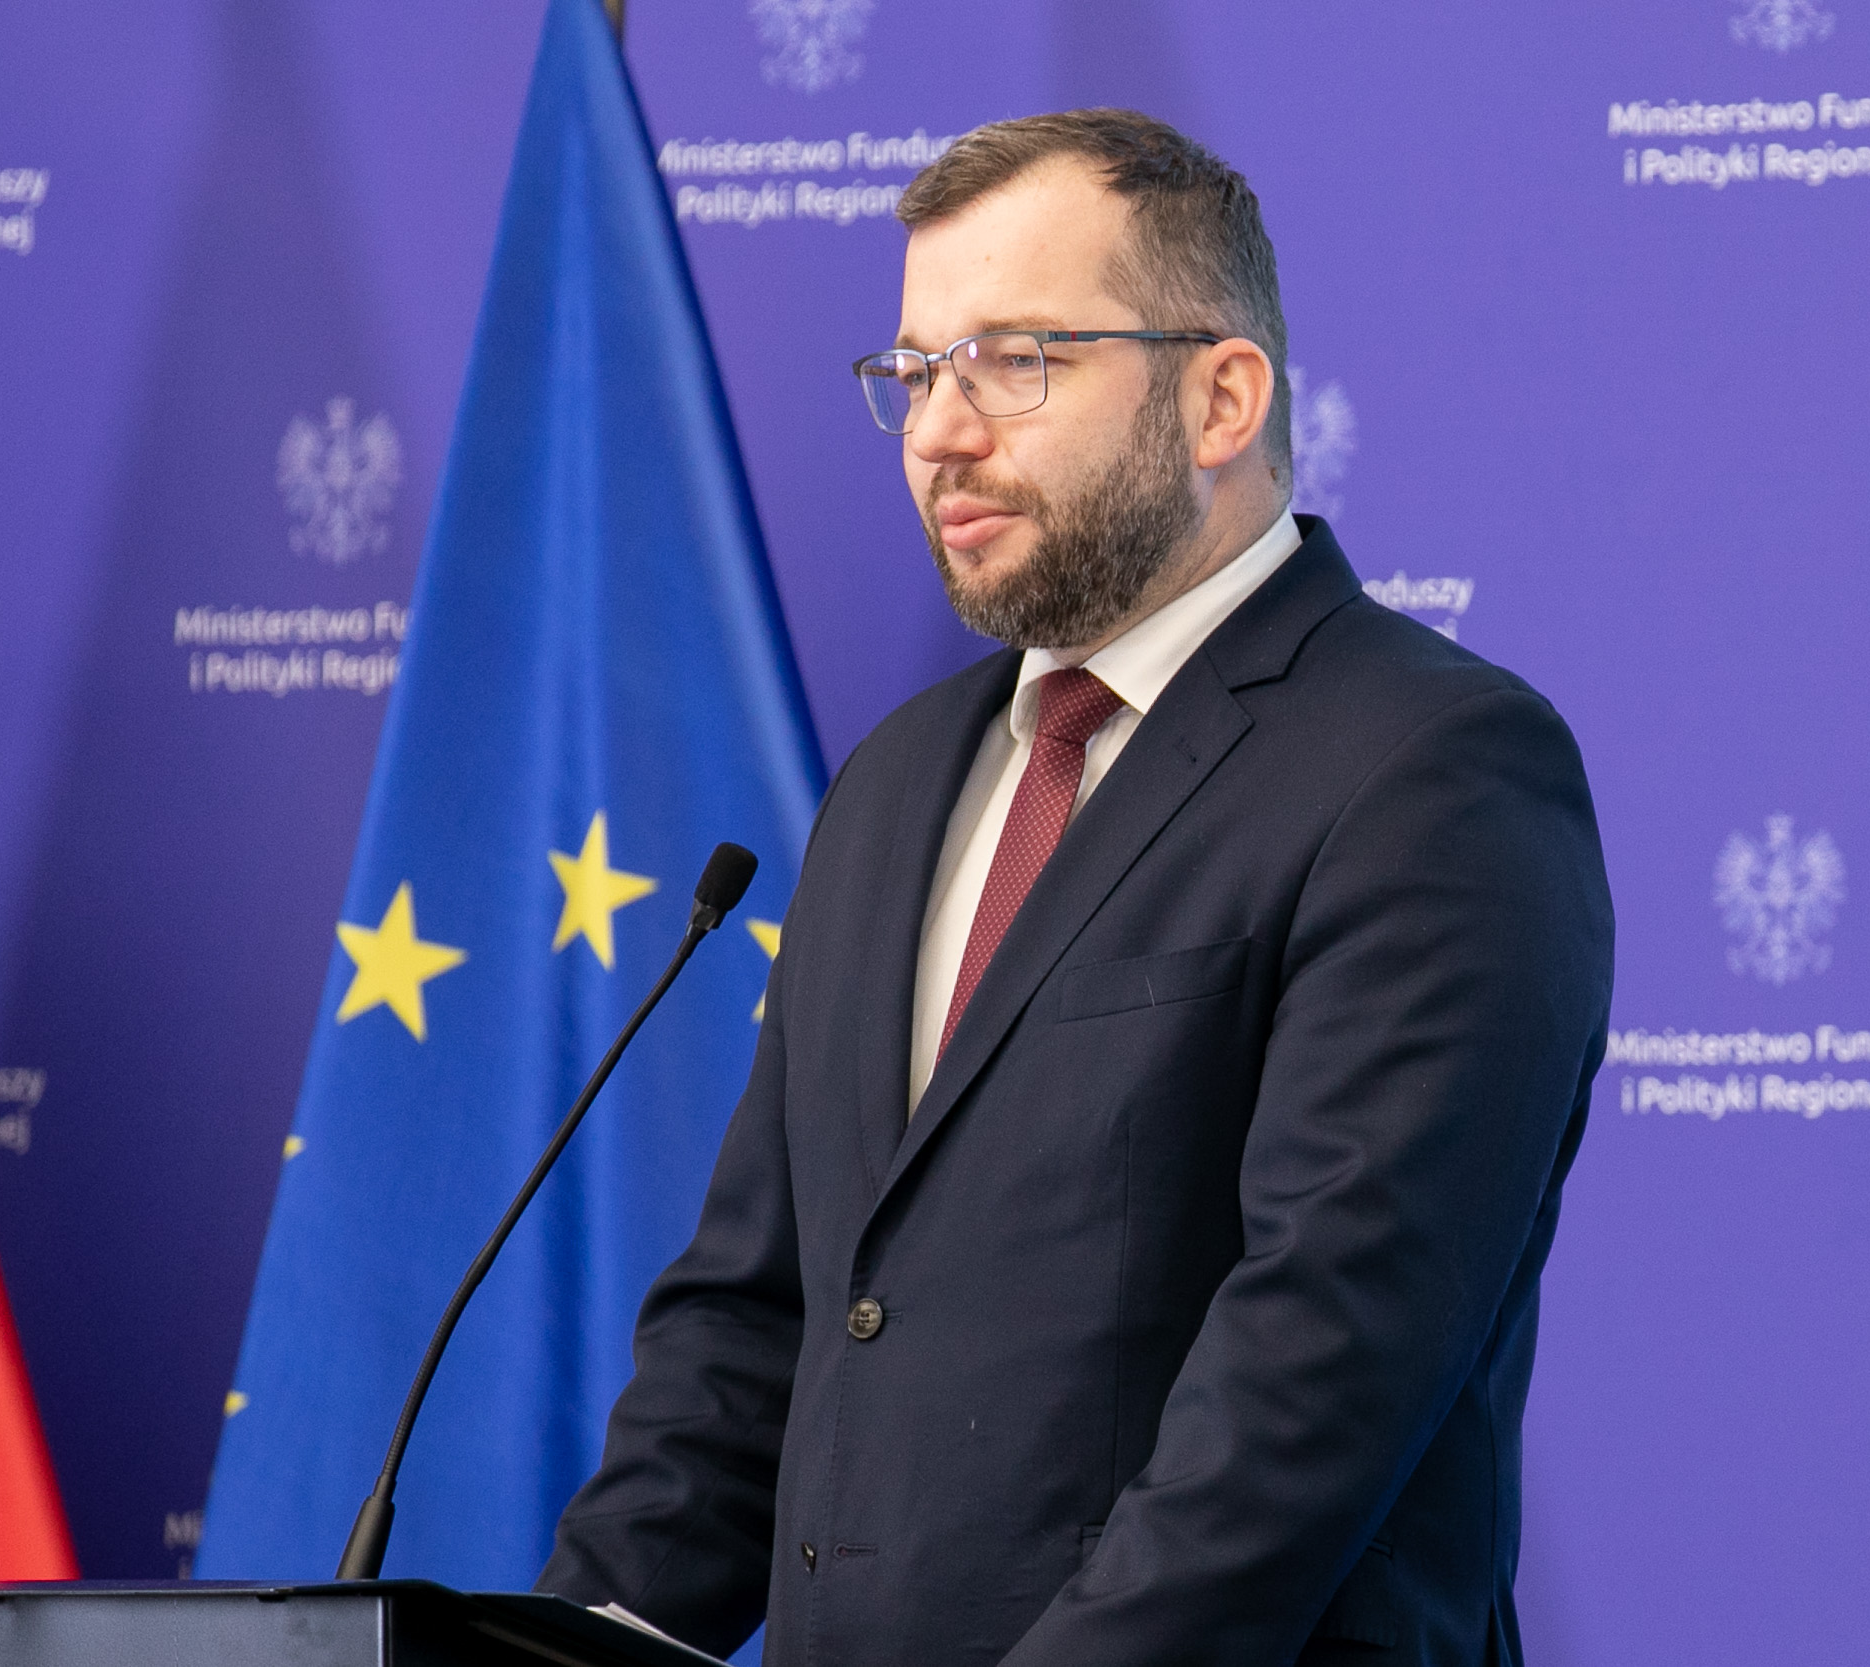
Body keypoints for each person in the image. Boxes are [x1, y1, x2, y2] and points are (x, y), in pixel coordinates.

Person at [539, 108, 1614, 1667]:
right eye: (914, 372)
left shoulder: (1430, 772)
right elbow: (756, 1330)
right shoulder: (895, 782)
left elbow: (1313, 1387)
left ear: (1220, 396)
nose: (938, 432)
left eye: (1011, 362)